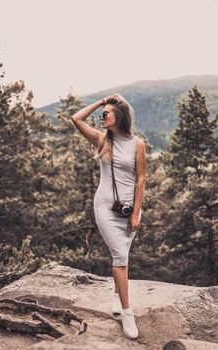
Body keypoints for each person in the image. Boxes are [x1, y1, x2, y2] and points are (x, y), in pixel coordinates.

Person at [71, 94, 146, 339]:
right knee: (119, 257)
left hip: (128, 208)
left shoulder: (138, 144)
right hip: (104, 207)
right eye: (101, 115)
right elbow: (76, 118)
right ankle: (127, 312)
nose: (101, 117)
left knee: (123, 253)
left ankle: (117, 294)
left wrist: (136, 212)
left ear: (120, 117)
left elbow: (141, 180)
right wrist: (103, 102)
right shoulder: (102, 140)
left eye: (106, 114)